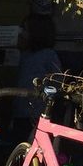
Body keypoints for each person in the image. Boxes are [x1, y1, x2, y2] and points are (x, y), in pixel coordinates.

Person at [11, 13, 60, 144]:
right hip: (21, 111)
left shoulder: (48, 55)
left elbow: (56, 82)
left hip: (37, 113)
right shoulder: (24, 54)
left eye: (25, 30)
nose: (21, 33)